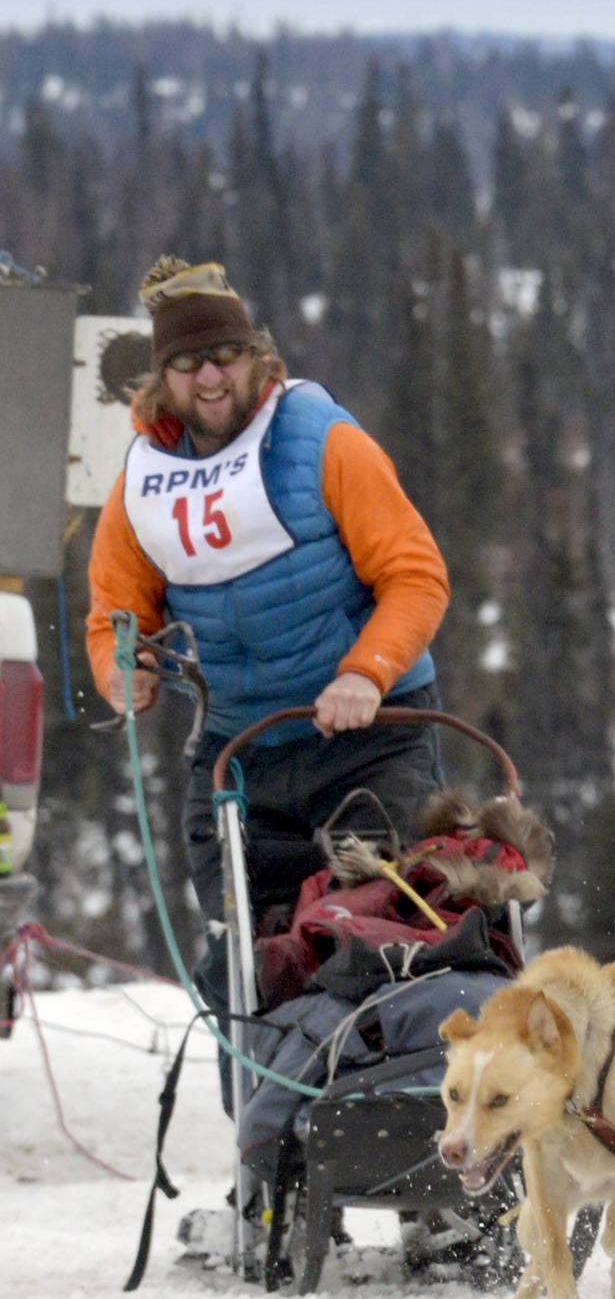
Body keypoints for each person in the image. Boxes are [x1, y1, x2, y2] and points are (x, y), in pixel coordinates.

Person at [86, 256, 451, 941]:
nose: (211, 376)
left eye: (227, 354)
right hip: (242, 754)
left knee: (377, 935)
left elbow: (415, 573)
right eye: (189, 362)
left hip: (368, 740)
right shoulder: (143, 483)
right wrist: (121, 669)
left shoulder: (322, 439)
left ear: (258, 359)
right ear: (162, 380)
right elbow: (115, 616)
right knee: (251, 959)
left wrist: (364, 671)